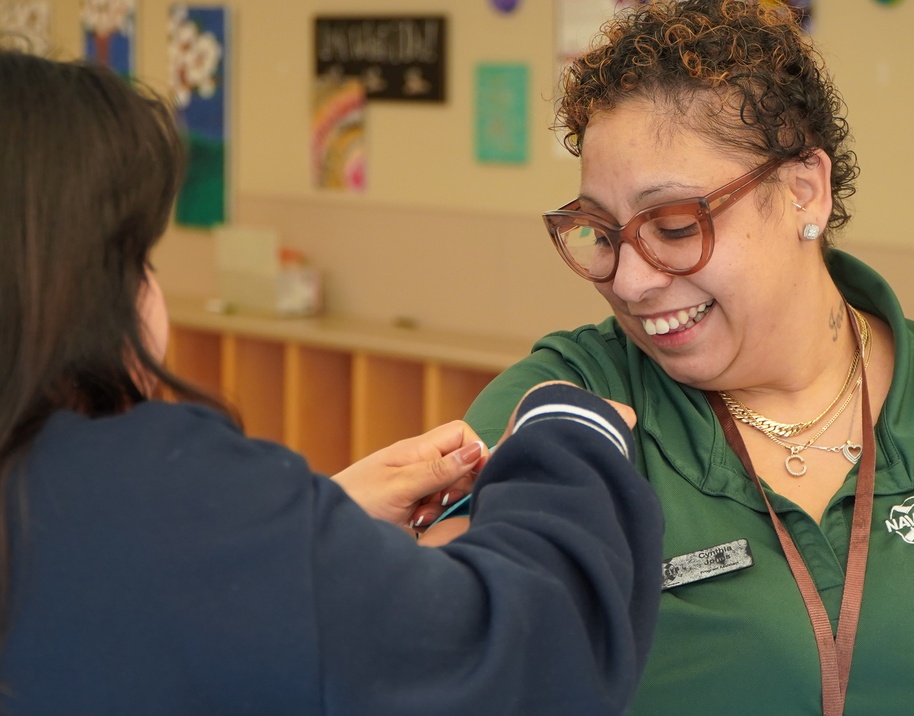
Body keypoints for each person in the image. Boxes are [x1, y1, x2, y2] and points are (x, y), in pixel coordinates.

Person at [0, 50, 666, 715]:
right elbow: (525, 660)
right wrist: (570, 433)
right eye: (140, 261)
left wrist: (320, 524)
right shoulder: (160, 494)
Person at [462, 1, 914, 714]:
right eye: (600, 232)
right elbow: (452, 622)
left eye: (677, 226)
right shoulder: (576, 395)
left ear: (805, 189)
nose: (628, 280)